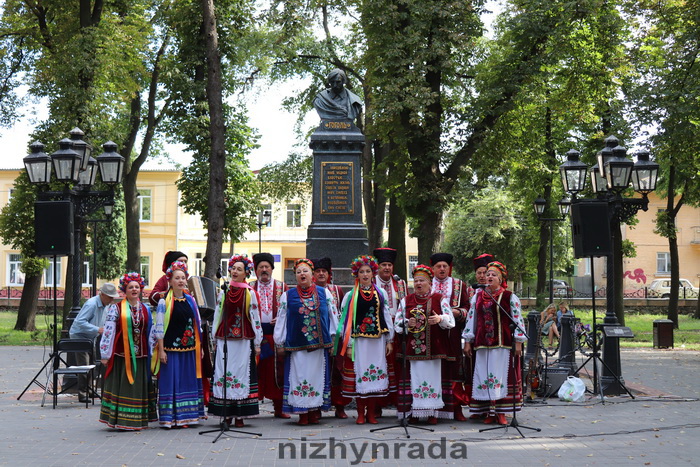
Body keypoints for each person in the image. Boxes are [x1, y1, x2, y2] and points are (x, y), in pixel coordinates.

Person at [273, 259, 338, 426]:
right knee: (299, 377)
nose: (302, 274)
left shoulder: (325, 293)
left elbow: (333, 316)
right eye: (298, 272)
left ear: (312, 274)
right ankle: (302, 412)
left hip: (319, 346)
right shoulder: (287, 296)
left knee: (317, 377)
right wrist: (279, 342)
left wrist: (333, 339)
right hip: (297, 346)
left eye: (305, 271)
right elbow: (281, 320)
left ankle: (314, 411)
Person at [462, 261, 526, 425]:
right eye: (487, 274)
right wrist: (468, 340)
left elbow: (517, 319)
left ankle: (501, 412)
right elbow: (471, 319)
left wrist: (518, 341)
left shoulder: (509, 297)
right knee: (484, 377)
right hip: (482, 344)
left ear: (501, 278)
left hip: (502, 344)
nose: (489, 276)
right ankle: (488, 411)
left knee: (499, 377)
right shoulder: (477, 296)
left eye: (493, 275)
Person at [335, 255, 394, 425]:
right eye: (362, 272)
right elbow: (345, 322)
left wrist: (389, 339)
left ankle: (371, 413)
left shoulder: (381, 293)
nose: (365, 274)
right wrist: (349, 345)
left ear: (373, 273)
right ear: (357, 274)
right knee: (360, 374)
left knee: (374, 375)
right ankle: (360, 413)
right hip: (359, 342)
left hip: (377, 341)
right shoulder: (350, 295)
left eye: (368, 271)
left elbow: (386, 316)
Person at [395, 265, 455, 424]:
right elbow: (398, 323)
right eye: (416, 281)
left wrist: (440, 319)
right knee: (415, 379)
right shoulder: (406, 300)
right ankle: (415, 413)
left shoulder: (439, 298)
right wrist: (408, 323)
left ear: (429, 283)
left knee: (433, 379)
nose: (418, 283)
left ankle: (433, 413)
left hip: (434, 348)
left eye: (422, 280)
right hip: (413, 349)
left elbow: (451, 320)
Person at [209, 254, 263, 428]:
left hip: (243, 340)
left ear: (245, 273)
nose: (235, 271)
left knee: (241, 373)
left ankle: (240, 415)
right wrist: (214, 337)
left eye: (239, 269)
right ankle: (225, 414)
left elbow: (255, 317)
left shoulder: (249, 293)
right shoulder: (223, 291)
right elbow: (217, 314)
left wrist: (257, 342)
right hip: (225, 339)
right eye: (233, 268)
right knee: (224, 373)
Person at [99, 272, 157, 430]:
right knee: (125, 385)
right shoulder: (116, 308)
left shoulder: (145, 309)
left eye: (137, 287)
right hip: (122, 355)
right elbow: (109, 331)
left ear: (141, 289)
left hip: (141, 355)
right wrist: (105, 354)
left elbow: (150, 332)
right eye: (130, 287)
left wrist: (154, 352)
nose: (134, 289)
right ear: (125, 289)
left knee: (138, 386)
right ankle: (123, 420)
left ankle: (138, 420)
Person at [153, 261, 206, 428]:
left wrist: (200, 347)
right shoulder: (164, 302)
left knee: (187, 382)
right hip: (171, 350)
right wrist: (161, 351)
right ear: (170, 280)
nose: (181, 281)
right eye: (177, 278)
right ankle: (171, 418)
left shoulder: (190, 300)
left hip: (189, 349)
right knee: (172, 383)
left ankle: (188, 416)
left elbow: (197, 325)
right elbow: (159, 328)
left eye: (183, 278)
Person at [430, 252, 470, 421]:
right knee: (433, 371)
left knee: (454, 370)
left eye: (444, 266)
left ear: (449, 268)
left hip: (452, 334)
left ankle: (456, 408)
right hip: (431, 334)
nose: (441, 269)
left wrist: (457, 312)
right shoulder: (425, 282)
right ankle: (433, 410)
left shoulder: (459, 285)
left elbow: (468, 309)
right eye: (438, 266)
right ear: (432, 269)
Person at [249, 252, 289, 418]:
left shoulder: (282, 287)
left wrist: (280, 319)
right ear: (256, 270)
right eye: (261, 267)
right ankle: (251, 408)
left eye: (267, 267)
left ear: (272, 269)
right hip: (256, 338)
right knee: (255, 371)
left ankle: (279, 409)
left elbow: (289, 310)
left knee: (277, 371)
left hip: (275, 336)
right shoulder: (249, 287)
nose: (264, 270)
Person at [69, 282, 120, 402]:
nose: (112, 300)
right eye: (109, 297)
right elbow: (80, 322)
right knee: (84, 365)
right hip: (80, 336)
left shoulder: (106, 305)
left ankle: (90, 390)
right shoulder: (92, 304)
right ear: (102, 294)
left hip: (91, 337)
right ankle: (82, 393)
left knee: (92, 364)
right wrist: (98, 329)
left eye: (113, 297)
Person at [313, 257, 349, 419]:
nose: (321, 274)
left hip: (335, 338)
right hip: (315, 339)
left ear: (329, 274)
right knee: (318, 372)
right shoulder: (309, 290)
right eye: (318, 271)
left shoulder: (337, 290)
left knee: (337, 372)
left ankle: (340, 406)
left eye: (324, 271)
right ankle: (317, 407)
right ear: (313, 274)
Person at [372, 247, 407, 415]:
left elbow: (405, 306)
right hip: (377, 330)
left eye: (390, 265)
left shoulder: (400, 283)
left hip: (397, 329)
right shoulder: (371, 282)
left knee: (397, 367)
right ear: (377, 267)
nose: (387, 268)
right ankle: (377, 404)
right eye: (384, 264)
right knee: (380, 365)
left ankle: (398, 402)